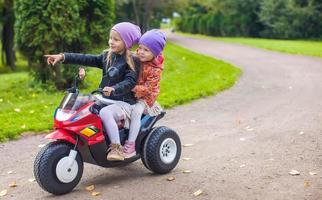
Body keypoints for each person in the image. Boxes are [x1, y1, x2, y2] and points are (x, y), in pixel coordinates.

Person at [44, 22, 141, 161]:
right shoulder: (107, 55)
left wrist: (115, 89)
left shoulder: (133, 60)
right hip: (105, 99)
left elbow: (130, 81)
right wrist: (63, 57)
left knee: (105, 113)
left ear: (126, 42)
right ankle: (93, 142)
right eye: (110, 38)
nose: (111, 42)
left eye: (116, 39)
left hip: (124, 103)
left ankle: (116, 148)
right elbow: (86, 58)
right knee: (85, 109)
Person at [123, 29, 166, 158]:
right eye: (140, 48)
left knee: (136, 112)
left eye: (146, 50)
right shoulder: (136, 57)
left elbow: (148, 88)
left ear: (155, 53)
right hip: (132, 92)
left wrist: (132, 87)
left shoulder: (155, 69)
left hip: (146, 97)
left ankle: (130, 144)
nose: (141, 51)